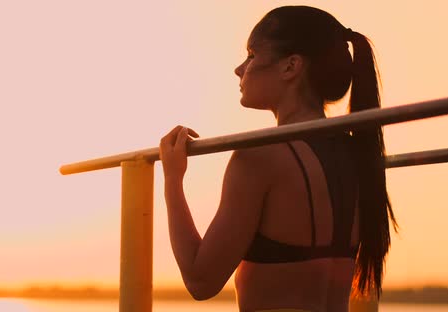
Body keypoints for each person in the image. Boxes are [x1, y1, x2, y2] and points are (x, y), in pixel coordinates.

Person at [159, 6, 397, 312]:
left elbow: (200, 281)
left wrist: (172, 180)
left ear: (291, 66)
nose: (239, 69)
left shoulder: (259, 157)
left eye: (251, 55)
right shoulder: (358, 154)